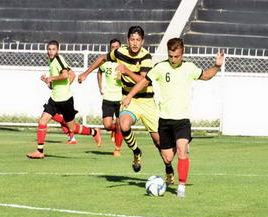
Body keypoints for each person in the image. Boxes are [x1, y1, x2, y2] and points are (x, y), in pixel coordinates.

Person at [122, 38, 224, 197]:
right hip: (164, 120)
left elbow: (205, 76)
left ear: (182, 53)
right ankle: (179, 145)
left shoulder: (189, 68)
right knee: (168, 157)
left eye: (176, 56)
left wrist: (217, 66)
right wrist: (129, 96)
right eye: (170, 56)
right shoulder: (160, 67)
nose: (173, 59)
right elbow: (143, 82)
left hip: (182, 120)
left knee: (182, 150)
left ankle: (181, 186)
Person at [78, 26, 175, 180]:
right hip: (130, 100)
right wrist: (85, 73)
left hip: (147, 101)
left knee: (159, 143)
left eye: (138, 40)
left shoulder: (146, 57)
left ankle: (168, 168)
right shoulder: (120, 52)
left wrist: (127, 71)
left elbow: (143, 81)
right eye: (132, 39)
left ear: (143, 41)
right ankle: (137, 152)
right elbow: (102, 58)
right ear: (127, 40)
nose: (135, 43)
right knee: (123, 124)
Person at [26, 40, 102, 159]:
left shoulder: (59, 59)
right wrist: (48, 81)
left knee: (72, 128)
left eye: (53, 49)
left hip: (65, 100)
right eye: (49, 49)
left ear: (58, 50)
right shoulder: (51, 62)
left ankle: (94, 132)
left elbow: (67, 75)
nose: (51, 52)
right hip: (54, 99)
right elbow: (62, 79)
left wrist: (53, 78)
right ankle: (39, 151)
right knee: (42, 122)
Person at [97, 39, 123, 156]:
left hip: (120, 98)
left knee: (119, 124)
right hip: (108, 97)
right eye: (113, 47)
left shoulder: (124, 63)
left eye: (117, 47)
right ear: (110, 48)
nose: (115, 49)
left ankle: (117, 149)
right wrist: (100, 87)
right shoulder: (105, 62)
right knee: (107, 125)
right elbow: (99, 72)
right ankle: (114, 132)